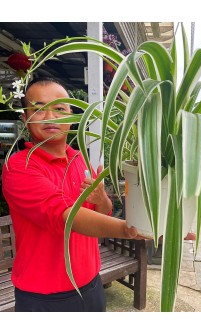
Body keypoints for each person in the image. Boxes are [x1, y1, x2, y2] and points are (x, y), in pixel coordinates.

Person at [2, 77, 137, 312]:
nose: (51, 117)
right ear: (25, 118)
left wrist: (101, 199)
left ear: (73, 116)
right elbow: (67, 217)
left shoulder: (80, 159)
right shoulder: (19, 167)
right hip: (43, 297)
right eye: (39, 109)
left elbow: (101, 211)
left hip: (91, 284)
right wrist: (131, 229)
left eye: (59, 109)